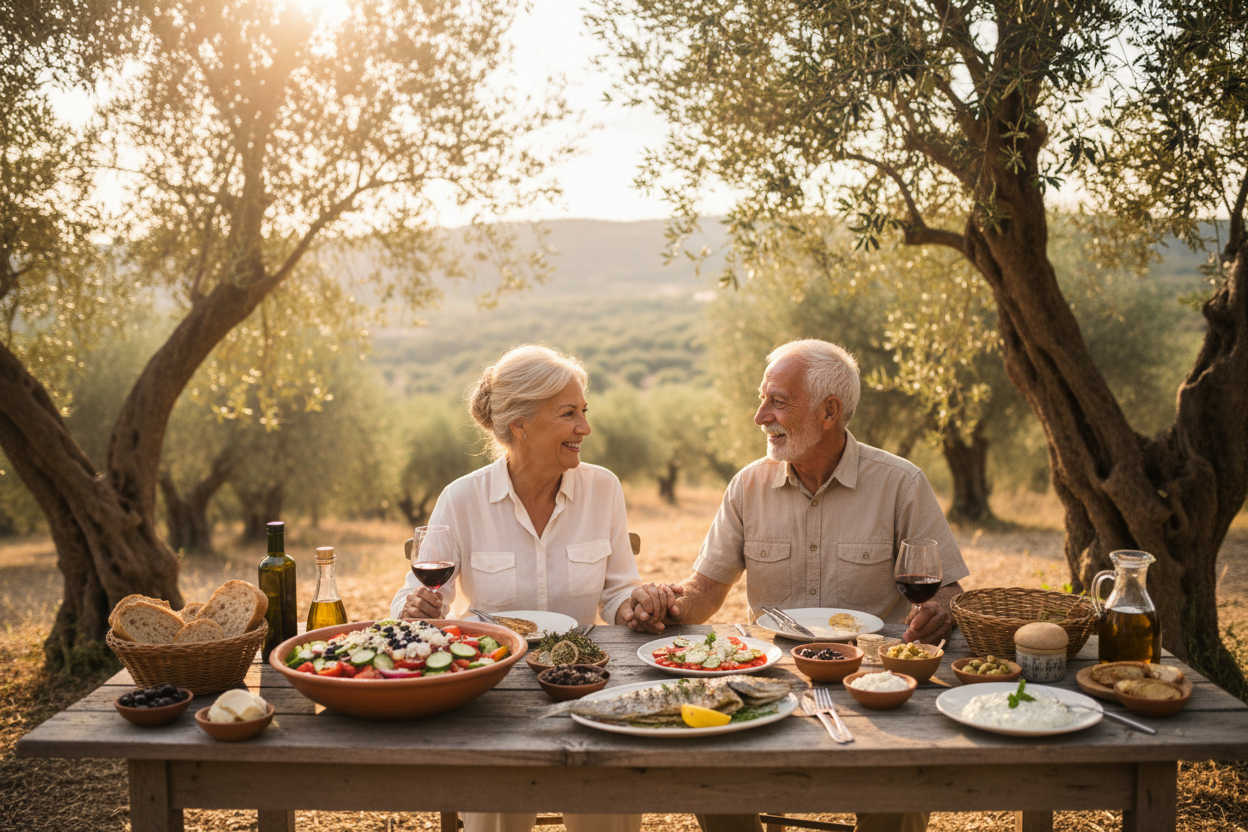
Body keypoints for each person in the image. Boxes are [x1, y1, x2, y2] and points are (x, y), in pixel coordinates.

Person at [621, 339, 969, 832]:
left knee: (903, 788)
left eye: (777, 401)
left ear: (830, 412)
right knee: (709, 778)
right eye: (763, 398)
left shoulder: (901, 484)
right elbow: (705, 591)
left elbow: (949, 590)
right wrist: (667, 605)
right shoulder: (747, 486)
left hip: (872, 681)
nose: (760, 416)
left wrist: (940, 610)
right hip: (767, 676)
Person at [390, 344, 645, 832]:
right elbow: (417, 602)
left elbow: (617, 596)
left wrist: (636, 606)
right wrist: (418, 608)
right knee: (496, 805)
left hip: (586, 681)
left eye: (584, 412)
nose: (585, 428)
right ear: (520, 425)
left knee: (613, 794)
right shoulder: (462, 499)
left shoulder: (603, 489)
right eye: (568, 414)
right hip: (493, 688)